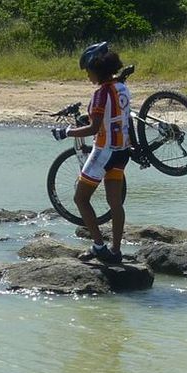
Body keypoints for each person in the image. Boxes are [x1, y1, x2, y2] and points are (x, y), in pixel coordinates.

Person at [51, 41, 131, 264]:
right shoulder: (122, 88)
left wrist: (66, 132)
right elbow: (111, 116)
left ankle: (99, 246)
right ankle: (116, 251)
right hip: (122, 151)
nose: (87, 76)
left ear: (96, 69)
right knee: (115, 203)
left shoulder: (100, 94)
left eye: (88, 71)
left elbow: (94, 128)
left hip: (104, 152)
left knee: (80, 198)